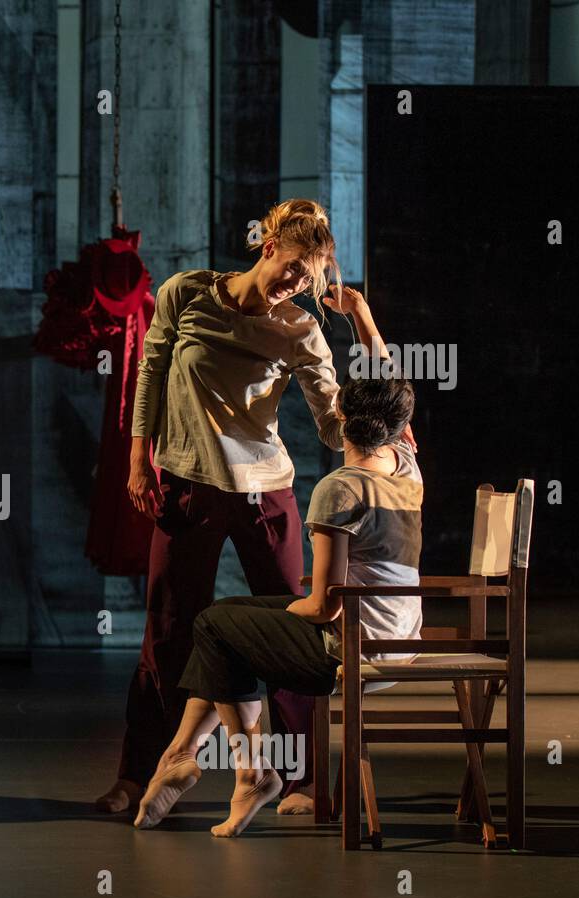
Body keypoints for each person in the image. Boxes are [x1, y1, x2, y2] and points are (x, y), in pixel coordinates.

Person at [98, 199, 415, 818]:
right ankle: (140, 774)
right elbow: (151, 373)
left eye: (311, 279)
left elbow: (333, 424)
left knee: (300, 630)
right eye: (296, 268)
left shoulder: (299, 327)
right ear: (268, 248)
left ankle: (297, 782)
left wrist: (374, 379)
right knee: (166, 631)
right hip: (187, 483)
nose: (298, 284)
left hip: (266, 491)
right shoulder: (185, 293)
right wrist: (139, 461)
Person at [134, 368, 422, 835]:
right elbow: (393, 393)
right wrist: (362, 316)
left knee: (216, 627)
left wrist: (285, 614)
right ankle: (186, 755)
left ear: (342, 420)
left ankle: (244, 766)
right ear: (399, 429)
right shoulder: (407, 470)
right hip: (400, 639)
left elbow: (323, 606)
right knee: (225, 623)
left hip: (349, 646)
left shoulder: (339, 489)